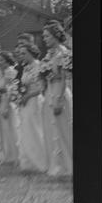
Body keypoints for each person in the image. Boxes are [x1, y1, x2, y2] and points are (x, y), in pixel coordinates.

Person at [40, 22, 73, 177]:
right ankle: (55, 166)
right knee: (51, 130)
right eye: (44, 36)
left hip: (59, 92)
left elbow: (66, 79)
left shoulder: (64, 53)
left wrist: (59, 99)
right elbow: (46, 74)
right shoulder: (48, 55)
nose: (44, 39)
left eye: (47, 36)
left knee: (63, 130)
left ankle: (67, 166)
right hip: (49, 93)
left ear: (55, 36)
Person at [17, 43, 48, 173]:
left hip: (36, 100)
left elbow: (42, 87)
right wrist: (20, 94)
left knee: (36, 129)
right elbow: (23, 84)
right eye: (20, 53)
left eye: (23, 53)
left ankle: (41, 162)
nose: (21, 56)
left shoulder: (39, 66)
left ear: (31, 53)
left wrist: (28, 95)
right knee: (26, 129)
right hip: (26, 101)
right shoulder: (26, 68)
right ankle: (28, 163)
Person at [0, 52, 19, 165]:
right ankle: (6, 155)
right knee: (3, 129)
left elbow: (10, 89)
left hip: (7, 101)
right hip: (1, 101)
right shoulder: (1, 73)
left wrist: (5, 105)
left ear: (7, 61)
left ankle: (13, 156)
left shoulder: (10, 72)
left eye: (1, 60)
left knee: (10, 128)